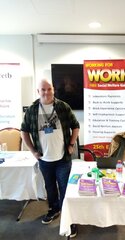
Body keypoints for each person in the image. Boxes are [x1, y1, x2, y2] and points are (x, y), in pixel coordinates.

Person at [21, 78, 79, 237]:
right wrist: (33, 151)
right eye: (43, 89)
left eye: (49, 89)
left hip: (63, 159)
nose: (46, 92)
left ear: (53, 89)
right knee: (50, 187)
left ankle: (70, 219)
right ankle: (54, 209)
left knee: (66, 188)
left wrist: (71, 144)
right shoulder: (32, 110)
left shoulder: (63, 107)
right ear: (38, 92)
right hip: (44, 159)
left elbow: (75, 126)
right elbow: (24, 131)